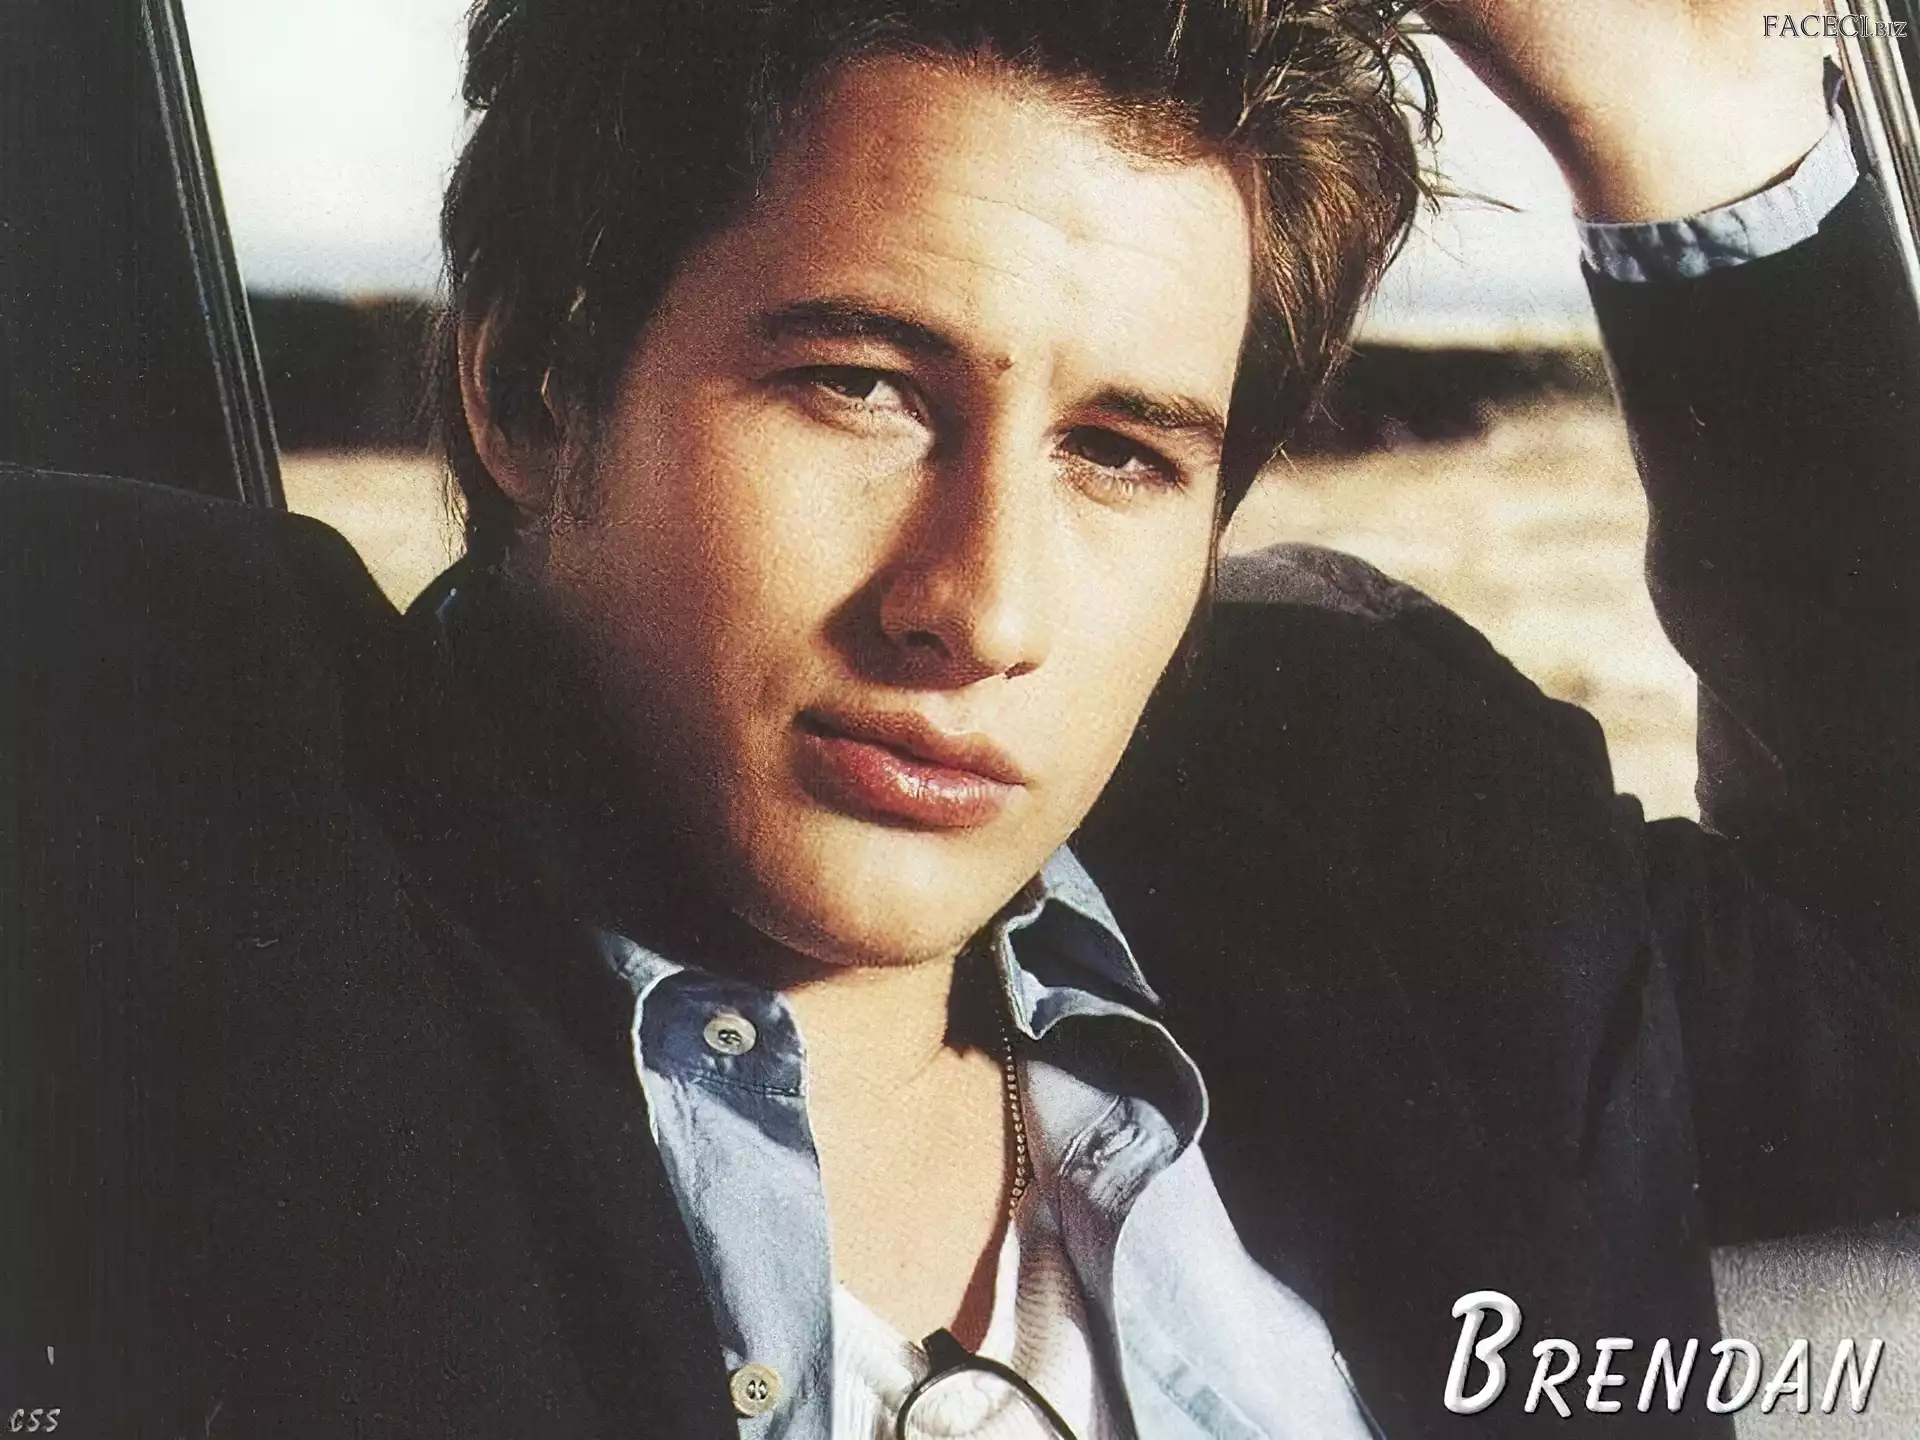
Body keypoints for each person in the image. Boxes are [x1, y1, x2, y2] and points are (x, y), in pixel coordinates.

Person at [2, 0, 1914, 1435]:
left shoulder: (1398, 846)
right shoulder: (191, 873)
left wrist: (1684, 129)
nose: (980, 609)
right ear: (531, 386)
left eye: (1120, 453)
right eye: (864, 388)